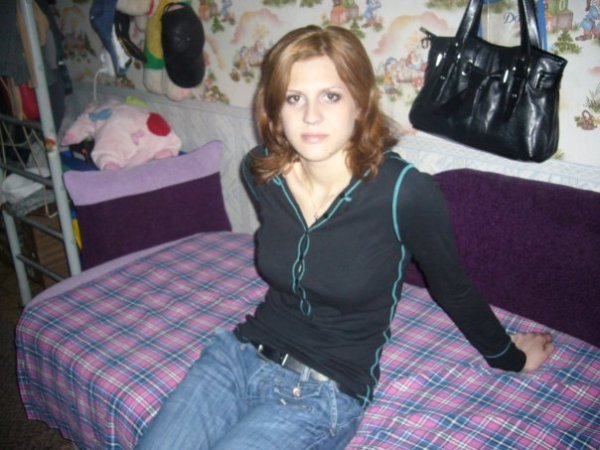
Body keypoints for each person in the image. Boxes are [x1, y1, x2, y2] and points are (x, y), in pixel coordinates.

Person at [136, 25, 554, 450]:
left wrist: (510, 356)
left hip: (323, 391)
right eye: (294, 98)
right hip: (237, 357)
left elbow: (452, 286)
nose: (310, 116)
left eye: (331, 96)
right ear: (275, 109)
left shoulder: (404, 192)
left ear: (360, 102)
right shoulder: (261, 171)